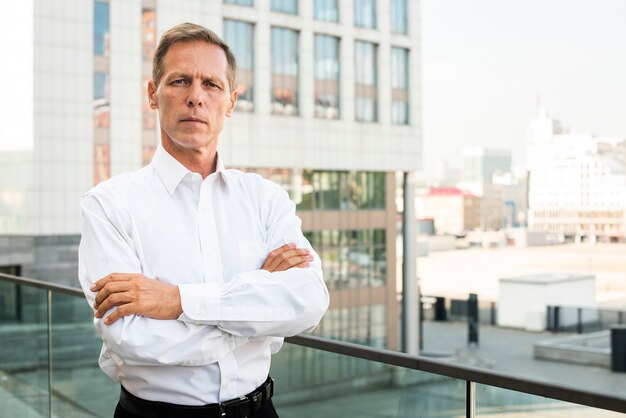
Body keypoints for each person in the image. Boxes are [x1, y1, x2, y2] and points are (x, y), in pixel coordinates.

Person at [78, 22, 329, 418]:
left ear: (230, 101)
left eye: (211, 84)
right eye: (179, 81)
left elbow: (309, 302)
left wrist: (177, 300)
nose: (195, 97)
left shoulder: (266, 199)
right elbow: (129, 337)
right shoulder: (109, 206)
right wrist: (256, 321)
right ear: (153, 95)